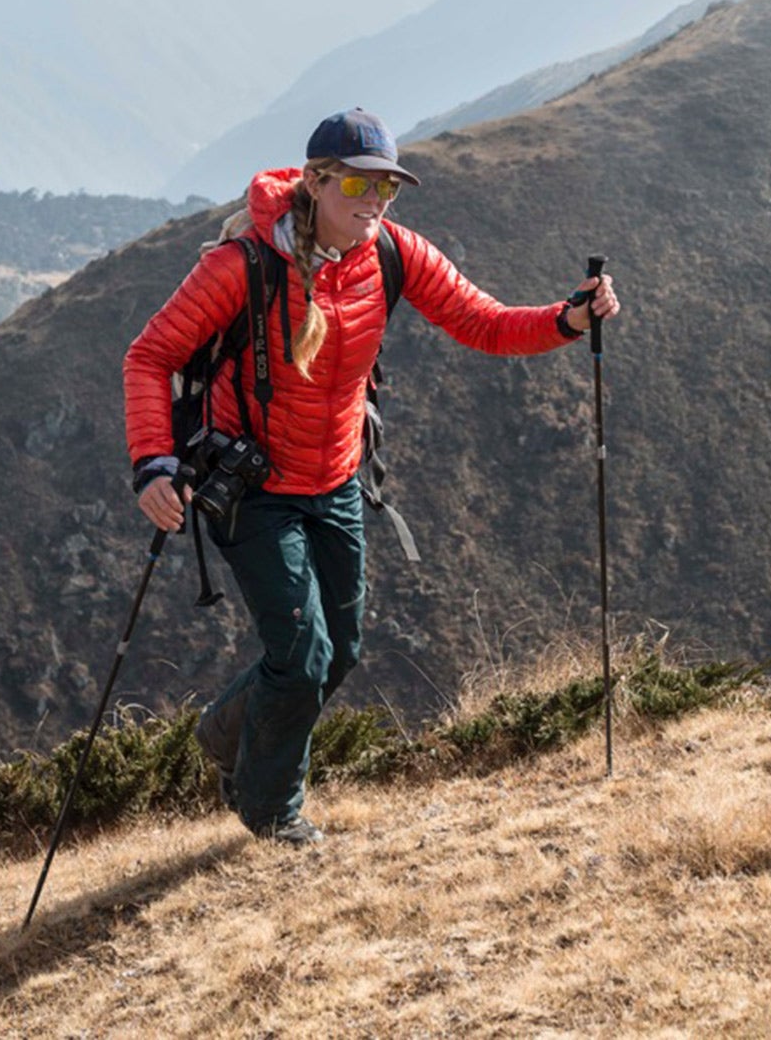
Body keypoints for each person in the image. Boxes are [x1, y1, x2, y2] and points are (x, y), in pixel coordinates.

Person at [122, 107, 620, 846]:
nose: (375, 202)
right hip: (253, 490)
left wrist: (568, 321)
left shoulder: (391, 252)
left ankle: (226, 733)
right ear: (316, 182)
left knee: (339, 650)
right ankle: (271, 812)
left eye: (388, 188)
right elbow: (149, 356)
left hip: (336, 480)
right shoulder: (242, 264)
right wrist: (153, 467)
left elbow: (479, 321)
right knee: (302, 656)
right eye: (358, 185)